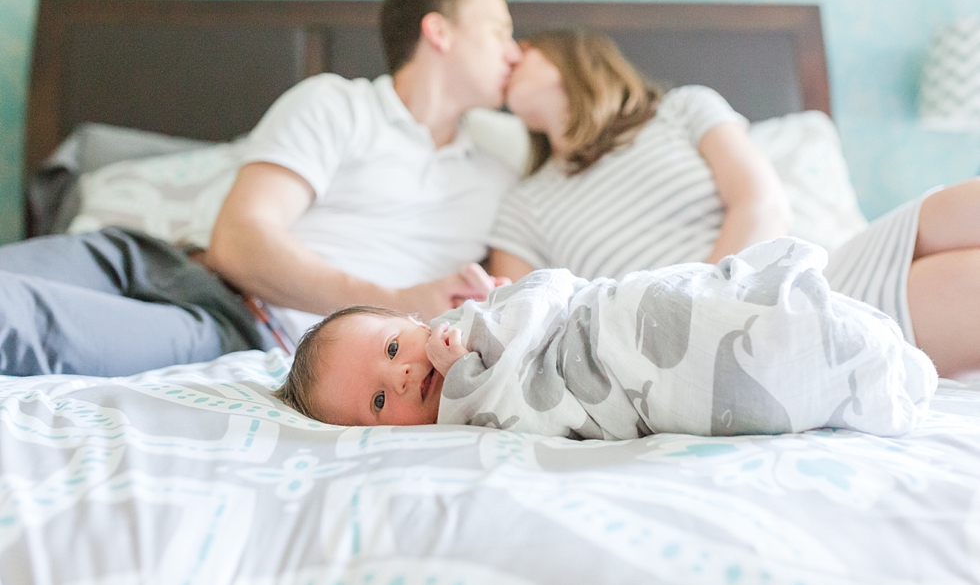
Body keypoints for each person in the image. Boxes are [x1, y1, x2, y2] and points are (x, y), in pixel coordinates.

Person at [0, 0, 521, 377]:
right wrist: (403, 303)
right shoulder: (337, 103)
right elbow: (240, 243)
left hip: (243, 328)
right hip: (156, 259)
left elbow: (515, 312)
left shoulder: (501, 177)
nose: (514, 52)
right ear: (439, 31)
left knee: (25, 326)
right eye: (500, 30)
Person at [487, 30, 980, 378]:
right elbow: (523, 322)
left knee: (956, 208)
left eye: (523, 47)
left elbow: (761, 203)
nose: (507, 56)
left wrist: (714, 293)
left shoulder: (681, 109)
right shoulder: (522, 205)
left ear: (574, 57)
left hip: (783, 279)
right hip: (701, 345)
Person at [273, 237, 937, 439]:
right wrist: (477, 377)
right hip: (630, 387)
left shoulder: (486, 312)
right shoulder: (462, 419)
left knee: (701, 309)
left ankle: (836, 341)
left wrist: (488, 335)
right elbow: (533, 413)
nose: (402, 377)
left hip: (612, 319)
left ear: (417, 325)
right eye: (381, 404)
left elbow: (555, 291)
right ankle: (849, 372)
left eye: (392, 349)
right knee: (744, 386)